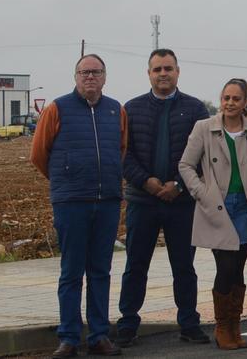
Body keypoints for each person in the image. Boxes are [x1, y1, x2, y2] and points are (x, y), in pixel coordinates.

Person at [30, 54, 128, 359]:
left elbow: (121, 150)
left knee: (100, 270)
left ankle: (99, 335)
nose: (90, 77)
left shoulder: (116, 110)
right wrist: (66, 179)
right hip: (71, 202)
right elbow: (38, 154)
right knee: (71, 271)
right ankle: (69, 338)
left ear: (105, 77)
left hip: (108, 201)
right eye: (85, 72)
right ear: (76, 76)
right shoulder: (57, 108)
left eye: (96, 72)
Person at [116, 49, 211, 346]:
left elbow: (202, 155)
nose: (163, 74)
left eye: (168, 68)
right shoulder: (130, 109)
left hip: (181, 203)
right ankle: (128, 324)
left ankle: (189, 323)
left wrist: (178, 185)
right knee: (136, 264)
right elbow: (123, 153)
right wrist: (147, 182)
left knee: (184, 266)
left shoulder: (195, 110)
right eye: (157, 69)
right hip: (142, 201)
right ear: (148, 73)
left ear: (178, 72)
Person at [178, 78, 247, 351]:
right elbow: (185, 165)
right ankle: (222, 326)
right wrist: (202, 193)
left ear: (245, 103)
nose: (229, 103)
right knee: (225, 267)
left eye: (235, 99)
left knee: (238, 267)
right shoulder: (205, 128)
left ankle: (234, 325)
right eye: (226, 98)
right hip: (219, 206)